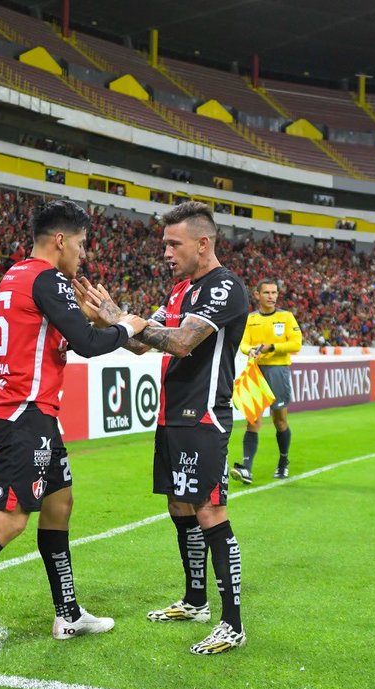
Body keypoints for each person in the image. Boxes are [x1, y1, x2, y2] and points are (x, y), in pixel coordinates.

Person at [0, 199, 148, 672]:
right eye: (79, 245)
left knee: (59, 504)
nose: (82, 256)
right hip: (23, 413)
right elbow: (87, 345)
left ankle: (68, 613)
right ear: (60, 240)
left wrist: (90, 323)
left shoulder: (15, 276)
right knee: (9, 518)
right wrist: (122, 327)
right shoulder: (46, 278)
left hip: (35, 413)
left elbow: (51, 341)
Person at [89, 201, 249, 655]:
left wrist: (130, 321)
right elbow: (143, 345)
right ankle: (196, 601)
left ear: (203, 243)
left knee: (209, 511)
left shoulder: (225, 287)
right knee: (180, 506)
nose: (165, 252)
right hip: (170, 415)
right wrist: (113, 320)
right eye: (164, 244)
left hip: (204, 416)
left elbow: (179, 343)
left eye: (173, 244)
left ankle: (232, 622)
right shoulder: (179, 292)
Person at [231, 279, 302, 483]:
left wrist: (272, 347)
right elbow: (243, 343)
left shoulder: (286, 317)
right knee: (252, 421)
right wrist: (249, 350)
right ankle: (247, 469)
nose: (271, 296)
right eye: (267, 293)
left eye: (274, 292)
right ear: (257, 295)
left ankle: (283, 461)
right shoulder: (251, 319)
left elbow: (296, 343)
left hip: (278, 371)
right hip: (256, 371)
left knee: (279, 420)